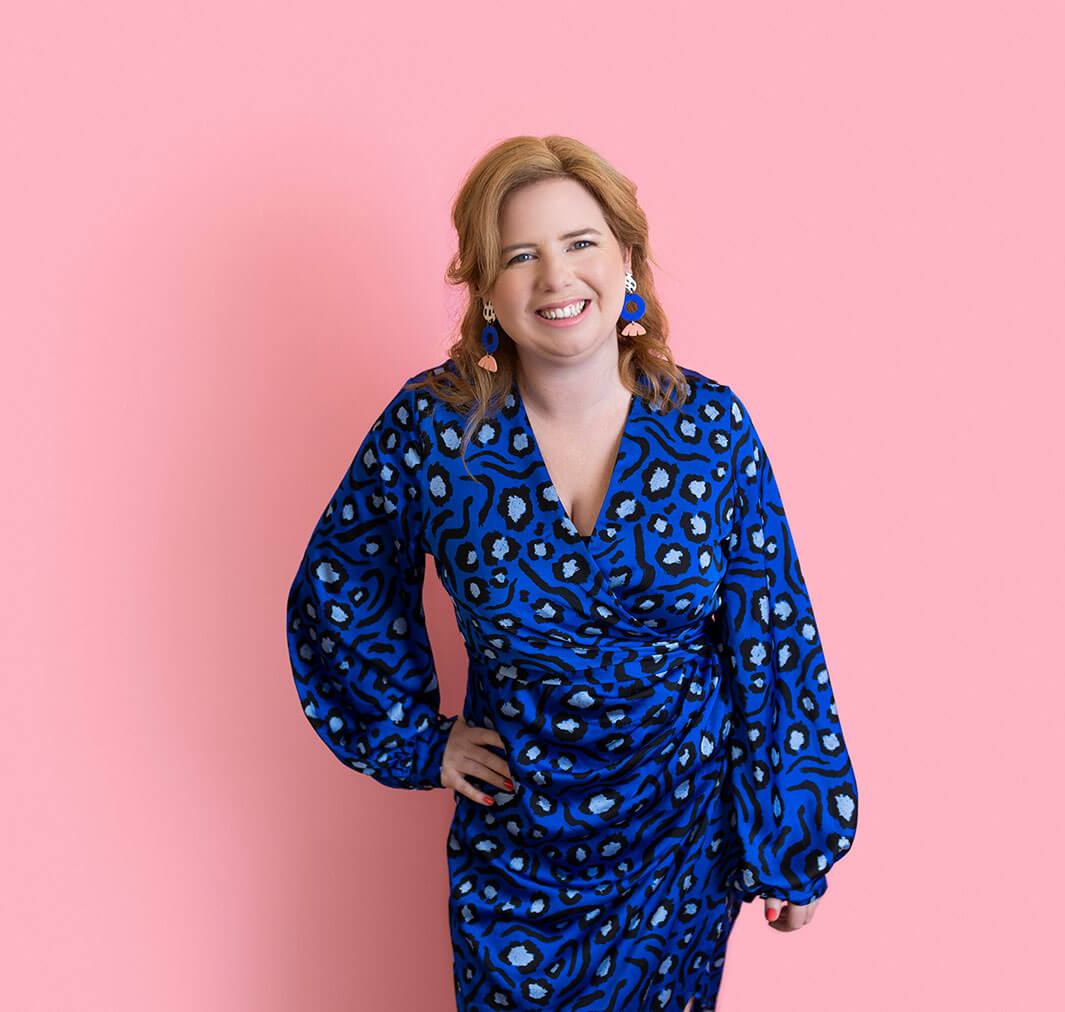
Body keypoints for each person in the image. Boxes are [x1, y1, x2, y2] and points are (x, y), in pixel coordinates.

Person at [286, 135, 859, 1012]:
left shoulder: (709, 429)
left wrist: (795, 841)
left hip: (682, 844)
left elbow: (773, 635)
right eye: (522, 255)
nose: (556, 278)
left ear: (627, 259)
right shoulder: (435, 432)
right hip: (518, 848)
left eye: (581, 243)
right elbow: (344, 581)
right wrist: (417, 739)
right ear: (486, 288)